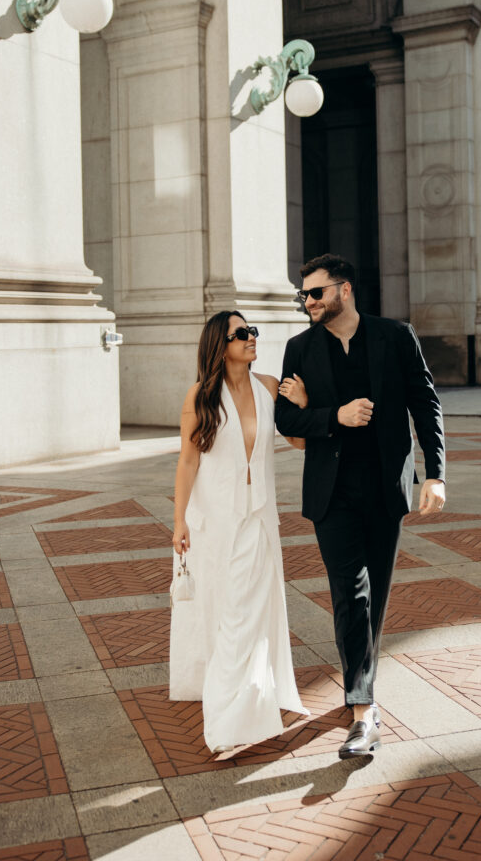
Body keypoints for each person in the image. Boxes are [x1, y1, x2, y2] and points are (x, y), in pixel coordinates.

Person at [275, 254, 446, 759]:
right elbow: (286, 419)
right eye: (303, 295)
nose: (307, 302)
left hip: (385, 488)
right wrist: (330, 415)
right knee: (351, 594)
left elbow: (426, 401)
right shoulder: (299, 348)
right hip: (332, 493)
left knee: (376, 595)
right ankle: (362, 710)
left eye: (315, 293)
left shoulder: (395, 337)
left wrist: (434, 473)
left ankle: (359, 677)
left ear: (343, 291)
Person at [170, 311, 308, 753]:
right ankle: (231, 708)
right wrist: (179, 521)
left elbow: (299, 442)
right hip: (213, 523)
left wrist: (301, 404)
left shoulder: (269, 386)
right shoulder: (200, 396)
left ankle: (232, 718)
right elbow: (188, 461)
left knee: (246, 617)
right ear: (220, 345)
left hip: (260, 521)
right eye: (242, 334)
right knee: (226, 614)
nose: (252, 338)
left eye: (253, 331)